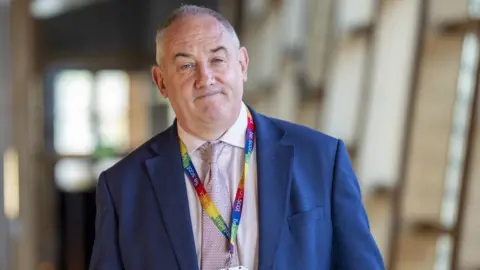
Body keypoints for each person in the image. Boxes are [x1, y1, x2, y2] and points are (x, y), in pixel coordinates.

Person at [89, 4, 385, 270]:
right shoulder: (123, 188)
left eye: (217, 59)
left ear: (242, 64)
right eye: (186, 65)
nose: (205, 78)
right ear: (161, 81)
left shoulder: (321, 159)